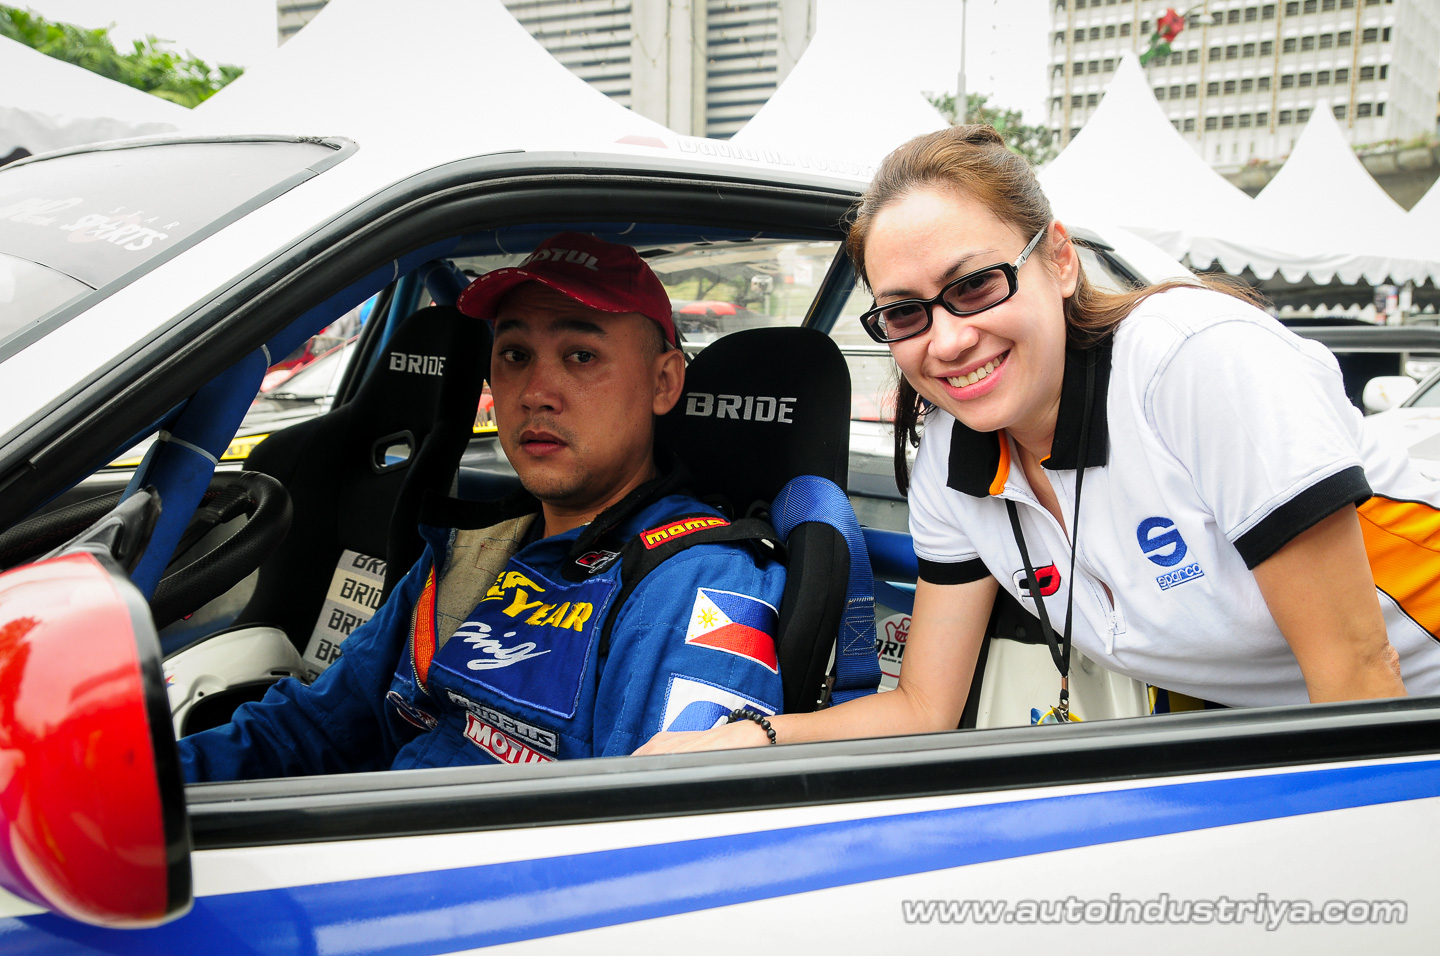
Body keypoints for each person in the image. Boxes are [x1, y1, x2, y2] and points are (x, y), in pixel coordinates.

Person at [638, 124, 1440, 756]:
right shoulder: (953, 462)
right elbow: (924, 707)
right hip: (1297, 732)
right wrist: (740, 741)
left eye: (976, 285)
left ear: (1058, 259)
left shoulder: (1193, 362)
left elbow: (1359, 678)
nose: (948, 341)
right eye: (907, 312)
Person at [180, 232, 785, 780]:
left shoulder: (699, 581)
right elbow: (318, 726)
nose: (535, 394)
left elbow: (650, 838)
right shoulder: (473, 547)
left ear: (664, 383)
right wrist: (142, 785)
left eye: (581, 355)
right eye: (516, 355)